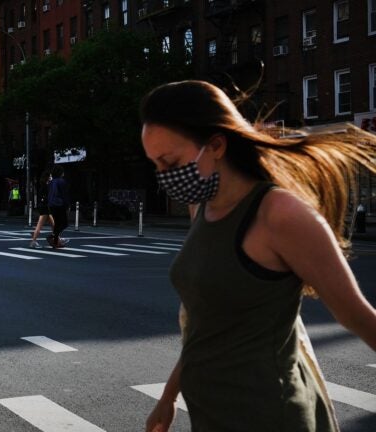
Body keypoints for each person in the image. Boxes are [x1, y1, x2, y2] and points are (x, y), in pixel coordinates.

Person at [139, 80, 376, 432]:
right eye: (156, 165)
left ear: (216, 144)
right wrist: (168, 398)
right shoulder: (202, 208)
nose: (164, 176)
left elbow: (358, 315)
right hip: (212, 415)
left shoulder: (279, 213)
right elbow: (204, 327)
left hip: (270, 415)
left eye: (170, 162)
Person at [46, 165, 69, 248]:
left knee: (57, 223)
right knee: (64, 223)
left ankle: (55, 242)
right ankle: (52, 236)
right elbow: (64, 195)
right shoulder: (61, 181)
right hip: (59, 204)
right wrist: (67, 205)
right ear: (60, 173)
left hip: (51, 205)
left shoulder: (51, 182)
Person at [30, 171, 54, 248]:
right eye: (50, 176)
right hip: (45, 208)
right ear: (47, 177)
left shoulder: (46, 185)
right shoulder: (45, 186)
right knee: (39, 226)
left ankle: (58, 239)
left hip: (45, 208)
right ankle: (33, 241)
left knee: (54, 225)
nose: (51, 178)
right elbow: (46, 198)